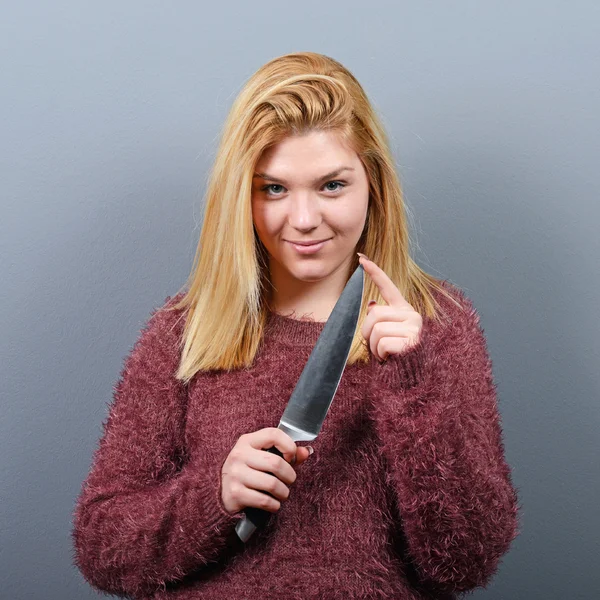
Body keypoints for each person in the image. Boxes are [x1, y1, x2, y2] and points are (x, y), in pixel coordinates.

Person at [71, 51, 521, 599]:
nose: (305, 220)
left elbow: (465, 562)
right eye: (274, 189)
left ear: (373, 183)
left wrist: (413, 385)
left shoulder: (437, 328)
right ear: (242, 193)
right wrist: (213, 496)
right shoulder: (183, 332)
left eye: (332, 185)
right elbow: (101, 549)